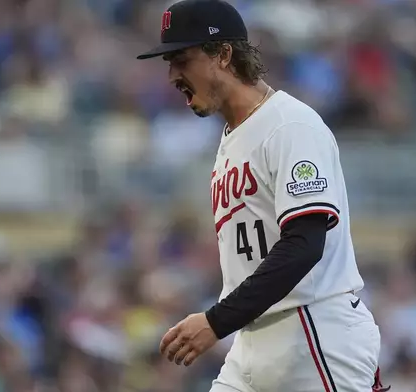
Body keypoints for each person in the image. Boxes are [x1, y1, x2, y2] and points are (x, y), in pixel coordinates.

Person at [137, 1, 388, 391]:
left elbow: (304, 245)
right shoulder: (231, 139)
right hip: (252, 339)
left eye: (181, 60)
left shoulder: (290, 125)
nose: (172, 75)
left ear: (222, 54)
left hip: (313, 330)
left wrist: (217, 320)